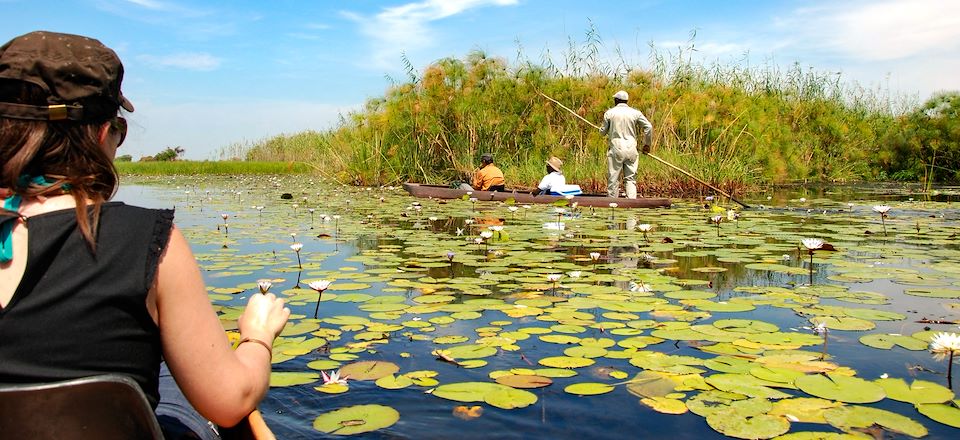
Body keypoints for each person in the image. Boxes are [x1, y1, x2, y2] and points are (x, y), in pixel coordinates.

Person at [0, 31, 290, 439]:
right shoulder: (148, 242)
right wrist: (257, 336)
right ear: (101, 133)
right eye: (119, 128)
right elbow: (230, 403)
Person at [600, 90, 653, 199]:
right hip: (631, 150)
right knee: (630, 179)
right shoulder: (635, 113)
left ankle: (612, 203)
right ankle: (631, 202)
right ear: (626, 101)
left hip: (616, 149)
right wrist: (647, 144)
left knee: (613, 178)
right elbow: (649, 127)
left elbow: (602, 132)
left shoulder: (609, 113)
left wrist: (602, 129)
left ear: (616, 100)